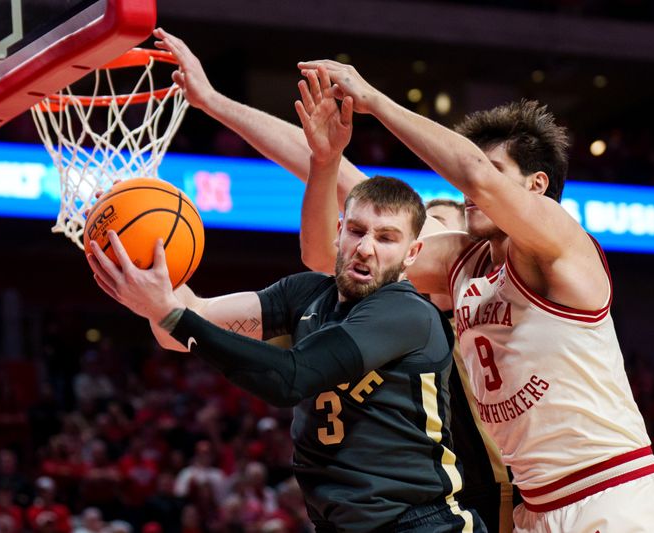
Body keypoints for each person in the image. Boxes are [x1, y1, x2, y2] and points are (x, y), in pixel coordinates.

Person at [86, 71, 485, 530]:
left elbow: (288, 378)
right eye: (356, 231)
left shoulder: (407, 313)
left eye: (387, 238)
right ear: (340, 231)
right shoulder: (306, 294)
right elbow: (185, 328)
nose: (366, 247)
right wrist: (140, 259)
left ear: (413, 253)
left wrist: (170, 312)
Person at [296, 60, 654, 531]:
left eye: (497, 170)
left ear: (536, 186)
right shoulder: (462, 259)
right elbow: (323, 255)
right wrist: (323, 161)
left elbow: (476, 175)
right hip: (534, 508)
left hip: (611, 493)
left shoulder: (561, 244)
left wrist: (375, 101)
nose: (465, 192)